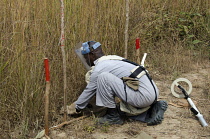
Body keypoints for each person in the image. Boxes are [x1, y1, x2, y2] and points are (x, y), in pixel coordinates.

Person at [68, 41, 167, 125]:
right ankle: (153, 106)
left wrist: (76, 107)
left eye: (86, 57)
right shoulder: (113, 58)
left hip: (143, 97)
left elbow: (89, 91)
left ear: (92, 54)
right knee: (107, 79)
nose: (85, 60)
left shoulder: (99, 68)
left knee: (103, 77)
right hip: (152, 92)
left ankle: (113, 116)